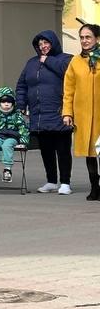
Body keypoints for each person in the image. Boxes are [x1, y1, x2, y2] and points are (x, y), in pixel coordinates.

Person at [16, 31, 74, 195]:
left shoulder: (66, 59)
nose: (43, 46)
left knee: (62, 150)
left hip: (60, 113)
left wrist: (48, 61)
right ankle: (51, 181)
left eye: (46, 43)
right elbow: (22, 85)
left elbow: (67, 72)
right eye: (40, 44)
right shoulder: (31, 63)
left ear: (53, 43)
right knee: (46, 150)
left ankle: (65, 183)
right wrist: (21, 103)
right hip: (39, 115)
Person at [62, 23, 100, 201]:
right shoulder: (75, 62)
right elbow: (68, 89)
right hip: (84, 116)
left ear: (97, 39)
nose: (84, 41)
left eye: (88, 37)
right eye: (82, 37)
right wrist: (67, 113)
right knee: (89, 152)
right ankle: (94, 187)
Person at [0, 87, 30, 184]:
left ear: (13, 103)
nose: (6, 104)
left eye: (9, 102)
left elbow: (22, 127)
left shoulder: (17, 115)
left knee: (6, 146)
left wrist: (24, 139)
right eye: (4, 102)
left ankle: (7, 169)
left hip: (12, 137)